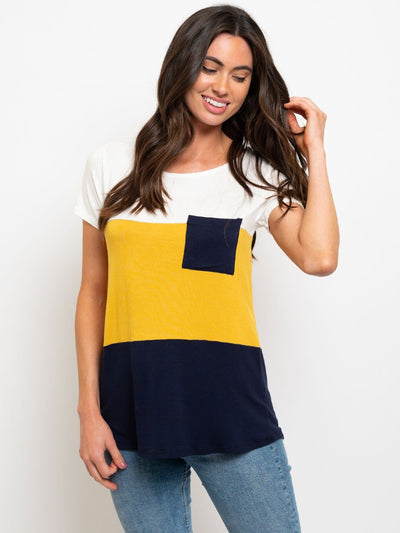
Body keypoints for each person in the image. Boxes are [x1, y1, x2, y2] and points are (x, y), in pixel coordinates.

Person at [73, 5, 339, 532]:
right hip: (132, 410)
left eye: (240, 75)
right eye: (210, 67)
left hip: (229, 410)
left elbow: (319, 257)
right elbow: (93, 293)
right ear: (183, 65)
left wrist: (314, 151)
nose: (223, 87)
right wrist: (89, 411)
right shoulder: (112, 165)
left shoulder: (255, 173)